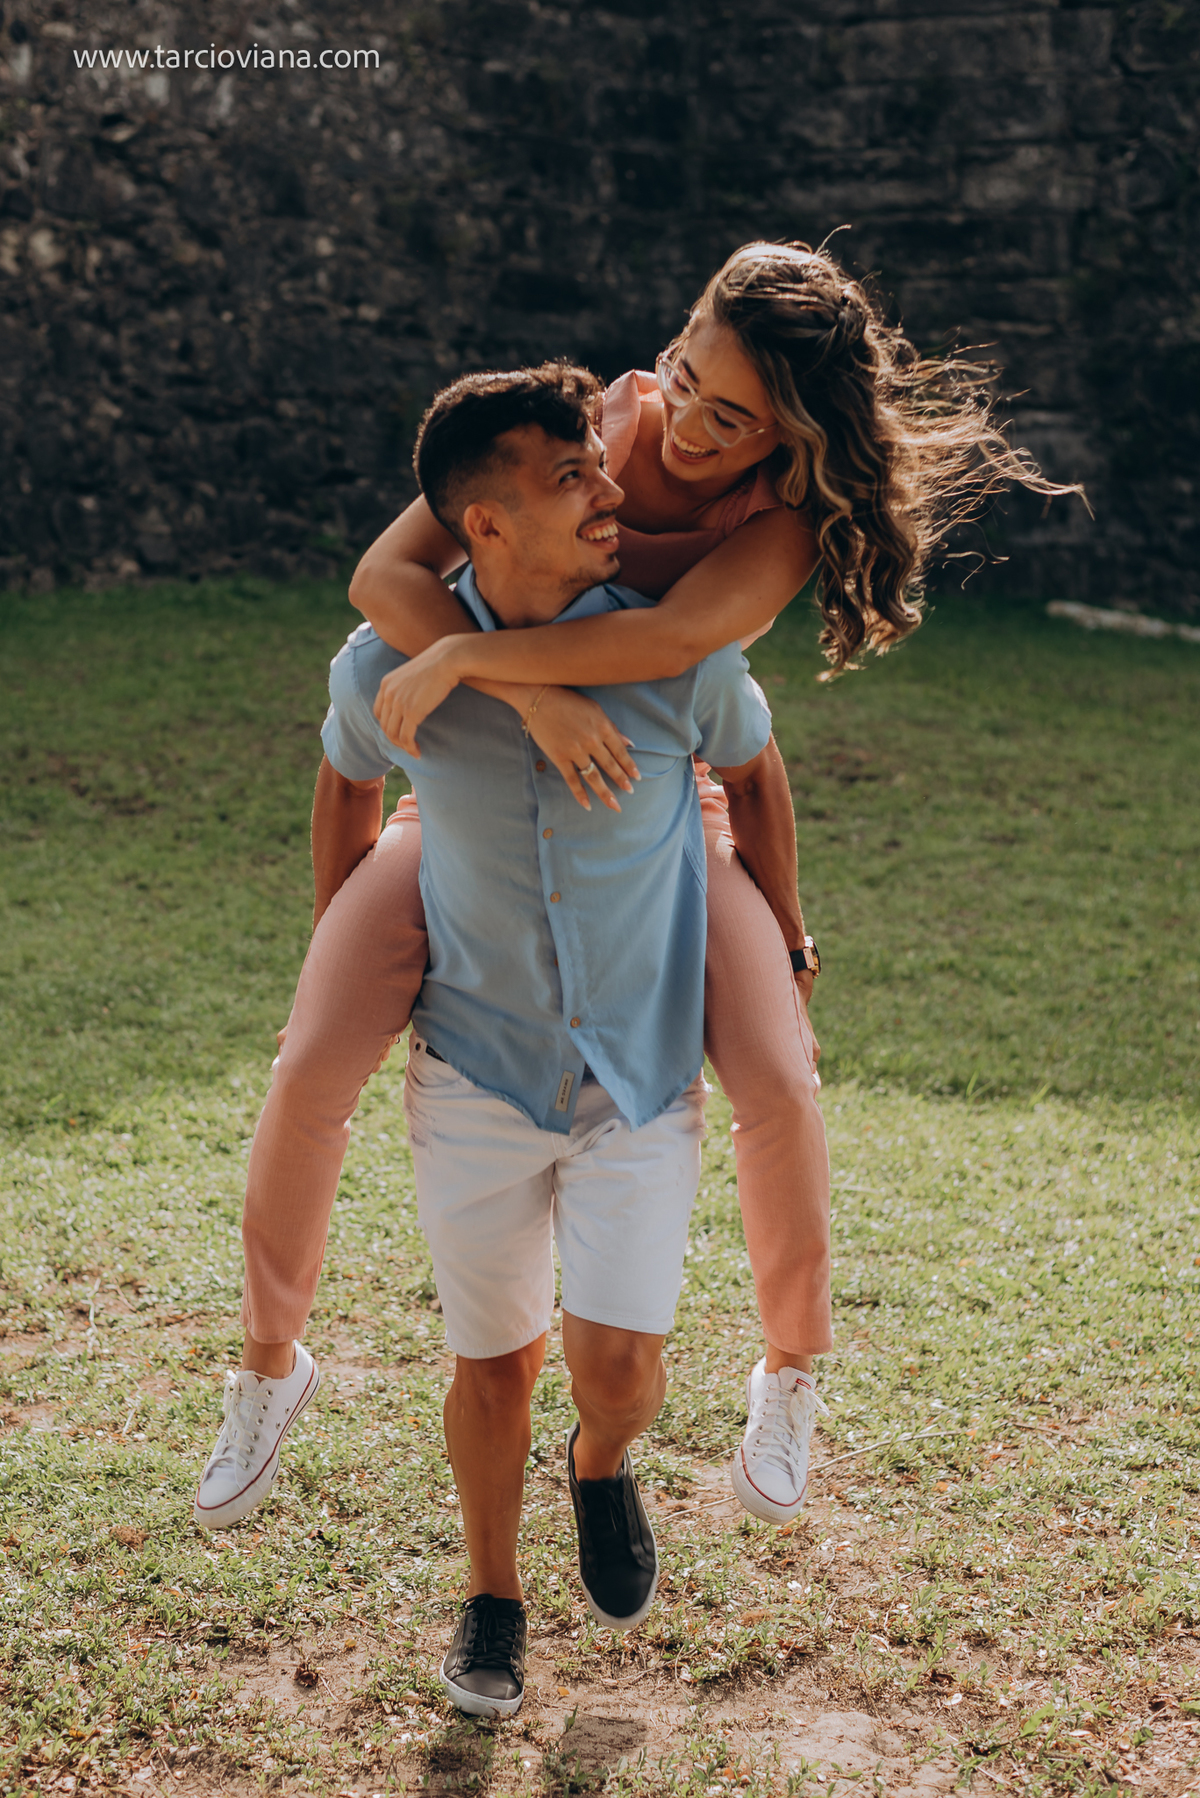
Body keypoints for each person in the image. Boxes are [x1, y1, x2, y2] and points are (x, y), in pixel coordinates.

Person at [202, 364, 781, 1717]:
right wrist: (341, 926)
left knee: (620, 1371)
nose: (611, 488)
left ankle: (601, 1461)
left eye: (597, 461)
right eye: (572, 474)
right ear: (483, 524)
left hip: (637, 1074)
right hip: (472, 1069)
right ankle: (492, 1599)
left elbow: (754, 761)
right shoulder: (389, 663)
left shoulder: (671, 649)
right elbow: (347, 772)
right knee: (490, 1361)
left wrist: (784, 920)